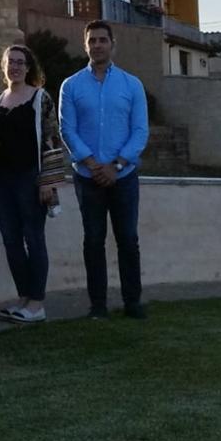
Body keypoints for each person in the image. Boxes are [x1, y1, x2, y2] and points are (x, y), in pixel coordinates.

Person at [58, 20, 150, 320]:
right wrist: (93, 164)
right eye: (92, 41)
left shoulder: (131, 84)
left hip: (123, 177)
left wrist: (117, 165)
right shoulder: (71, 86)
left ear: (113, 44)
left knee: (128, 240)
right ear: (85, 45)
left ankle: (132, 302)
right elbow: (67, 130)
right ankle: (97, 305)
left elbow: (140, 131)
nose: (97, 45)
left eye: (102, 40)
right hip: (88, 177)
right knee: (93, 241)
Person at [0, 43, 65, 324]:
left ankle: (37, 302)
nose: (14, 66)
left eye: (20, 62)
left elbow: (52, 139)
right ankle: (24, 298)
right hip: (1, 180)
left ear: (28, 67)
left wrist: (48, 182)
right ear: (3, 66)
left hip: (30, 179)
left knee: (34, 238)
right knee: (11, 242)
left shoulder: (41, 99)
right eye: (10, 62)